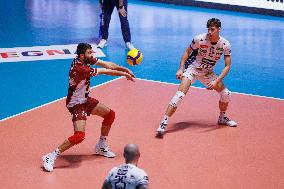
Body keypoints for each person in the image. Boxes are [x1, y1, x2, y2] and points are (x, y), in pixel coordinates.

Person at [42, 43, 135, 172]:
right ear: (82, 55)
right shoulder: (80, 69)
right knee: (79, 136)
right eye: (89, 53)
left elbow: (107, 65)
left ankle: (101, 146)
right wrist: (123, 75)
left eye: (92, 52)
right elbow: (105, 71)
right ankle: (50, 156)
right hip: (76, 104)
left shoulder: (85, 59)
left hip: (85, 100)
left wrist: (125, 69)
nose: (92, 55)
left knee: (110, 114)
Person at [156, 18, 237, 138]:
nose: (210, 32)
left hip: (207, 73)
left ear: (219, 29)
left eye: (212, 29)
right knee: (180, 95)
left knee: (226, 94)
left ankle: (222, 117)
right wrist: (181, 68)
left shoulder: (225, 44)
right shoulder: (199, 39)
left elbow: (227, 66)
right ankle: (163, 122)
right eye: (208, 29)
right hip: (192, 70)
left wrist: (216, 81)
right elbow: (187, 52)